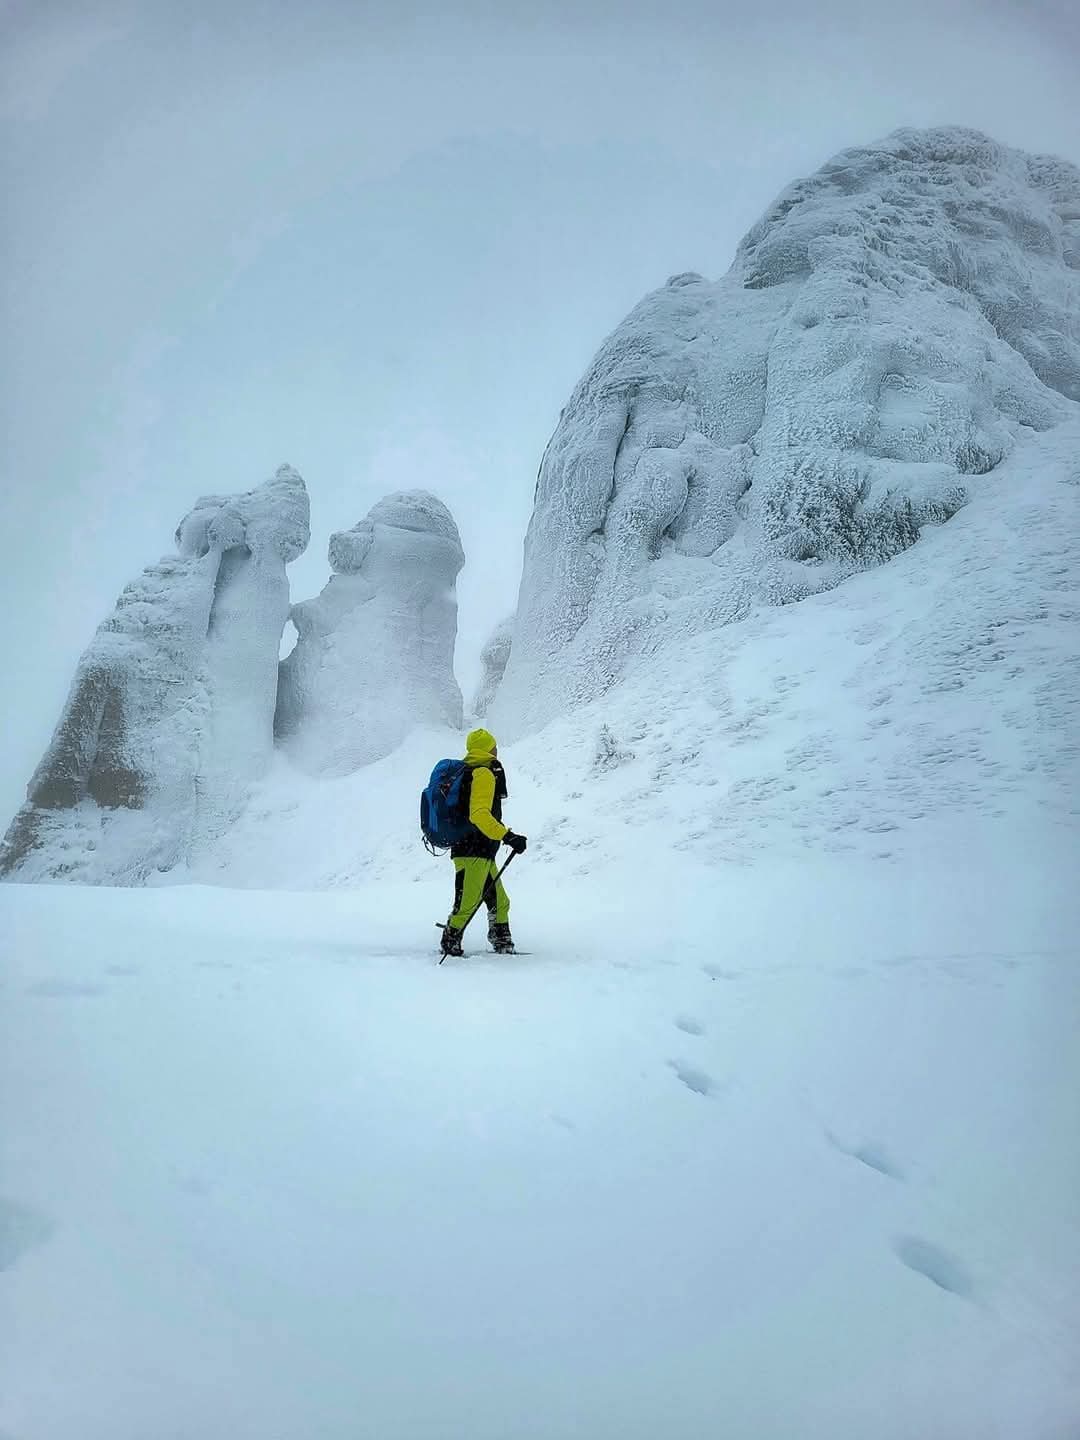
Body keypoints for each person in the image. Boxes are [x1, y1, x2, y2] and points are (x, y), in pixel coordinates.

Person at [441, 727, 527, 958]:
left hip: (480, 850)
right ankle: (450, 940)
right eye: (494, 746)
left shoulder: (472, 772)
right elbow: (478, 814)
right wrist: (508, 836)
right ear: (489, 748)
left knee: (500, 900)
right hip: (472, 850)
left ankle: (501, 940)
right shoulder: (483, 773)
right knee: (468, 902)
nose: (497, 750)